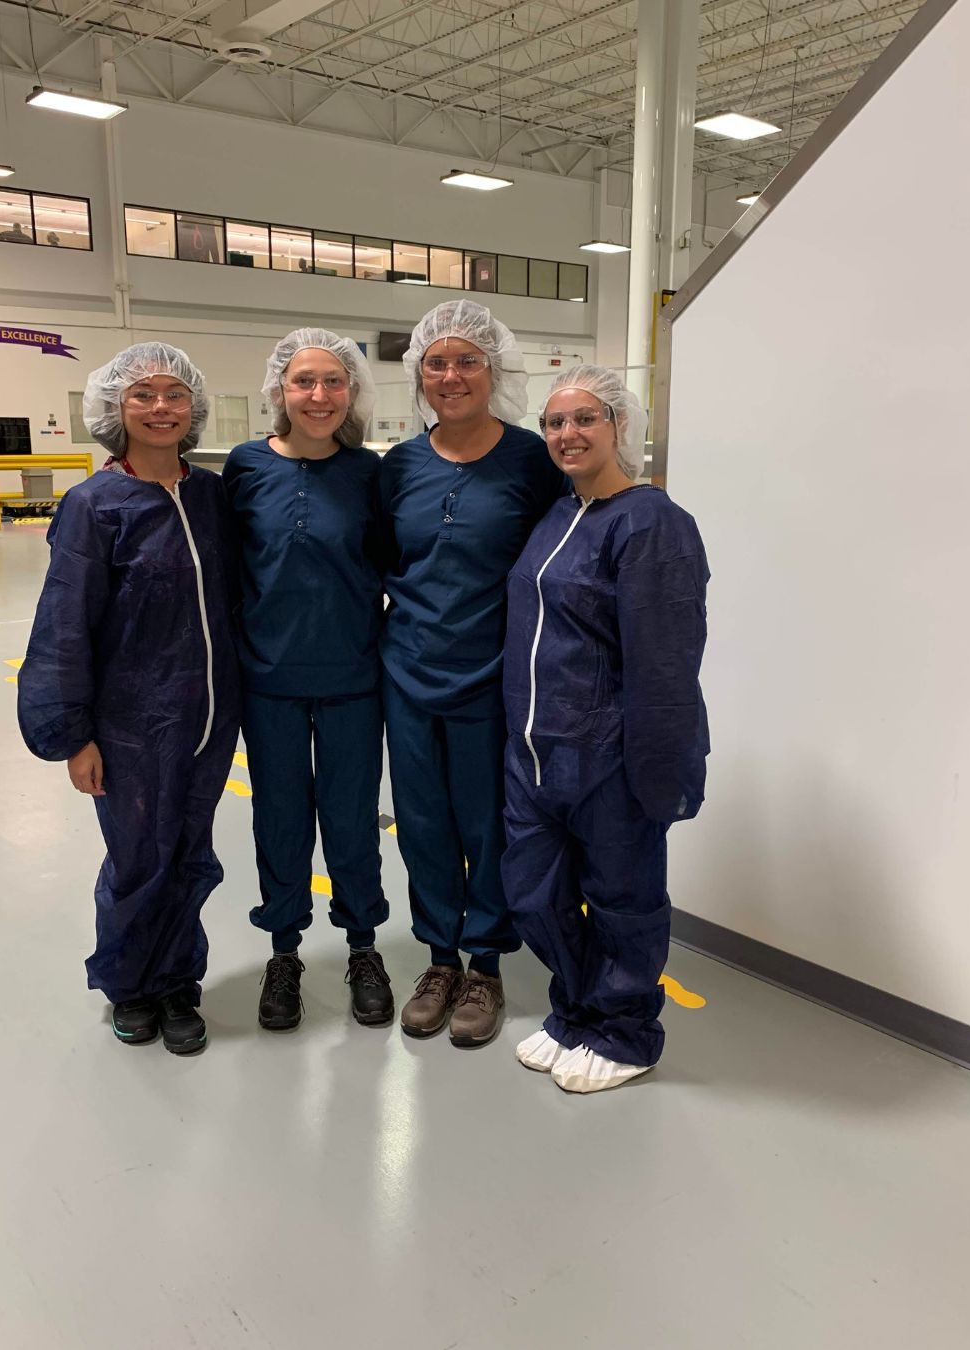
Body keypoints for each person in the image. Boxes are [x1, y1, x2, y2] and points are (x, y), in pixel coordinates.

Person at [17, 343, 240, 1055]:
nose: (160, 407)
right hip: (130, 724)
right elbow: (64, 625)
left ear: (193, 408)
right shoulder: (94, 505)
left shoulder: (211, 496)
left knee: (190, 853)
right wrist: (71, 734)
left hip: (210, 717)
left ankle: (175, 981)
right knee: (139, 857)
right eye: (142, 395)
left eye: (175, 394)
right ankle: (129, 986)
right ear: (115, 408)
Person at [501, 366, 709, 1093]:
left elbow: (665, 663)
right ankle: (577, 1011)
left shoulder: (651, 523)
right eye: (554, 422)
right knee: (534, 894)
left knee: (622, 900)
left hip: (608, 754)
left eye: (585, 418)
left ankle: (625, 1033)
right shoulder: (561, 515)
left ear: (621, 425)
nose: (568, 433)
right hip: (534, 752)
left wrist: (658, 767)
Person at [380, 300, 566, 1046]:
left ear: (494, 371)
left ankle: (485, 963)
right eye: (436, 363)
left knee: (489, 823)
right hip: (409, 671)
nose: (451, 376)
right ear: (418, 375)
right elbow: (384, 562)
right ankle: (439, 957)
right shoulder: (399, 467)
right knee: (423, 821)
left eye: (467, 361)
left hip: (494, 675)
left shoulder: (531, 461)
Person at [223, 329, 392, 1031]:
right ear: (279, 390)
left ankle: (362, 945)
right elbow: (228, 568)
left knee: (352, 818)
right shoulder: (245, 467)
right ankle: (284, 950)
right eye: (304, 381)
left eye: (333, 381)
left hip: (353, 675)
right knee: (280, 817)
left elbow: (392, 563)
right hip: (269, 680)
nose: (318, 395)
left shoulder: (368, 474)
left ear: (351, 391)